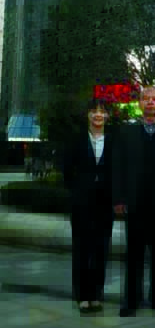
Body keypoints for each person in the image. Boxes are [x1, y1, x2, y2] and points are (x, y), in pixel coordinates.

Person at [112, 86, 155, 317]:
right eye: (146, 99)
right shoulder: (126, 132)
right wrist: (119, 198)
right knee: (134, 254)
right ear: (140, 103)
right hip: (135, 202)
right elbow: (118, 166)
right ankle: (132, 299)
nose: (150, 102)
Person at [63, 99, 114, 314]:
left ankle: (96, 294)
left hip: (105, 203)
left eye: (102, 111)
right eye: (94, 111)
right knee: (82, 249)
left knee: (101, 249)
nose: (98, 115)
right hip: (81, 203)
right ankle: (82, 295)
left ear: (107, 116)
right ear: (88, 115)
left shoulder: (113, 140)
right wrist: (77, 190)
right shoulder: (76, 139)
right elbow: (67, 170)